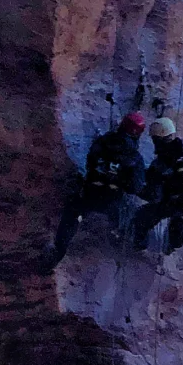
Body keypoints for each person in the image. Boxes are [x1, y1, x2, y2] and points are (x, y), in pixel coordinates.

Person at [47, 112, 147, 268]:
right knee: (130, 218)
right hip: (112, 201)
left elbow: (90, 163)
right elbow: (135, 187)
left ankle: (57, 252)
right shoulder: (134, 157)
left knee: (71, 215)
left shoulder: (102, 142)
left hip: (90, 194)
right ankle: (127, 248)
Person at [133, 117, 183, 253]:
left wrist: (135, 187)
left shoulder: (165, 159)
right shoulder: (182, 151)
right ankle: (171, 248)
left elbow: (153, 186)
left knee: (141, 218)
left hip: (175, 202)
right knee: (176, 231)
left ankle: (138, 250)